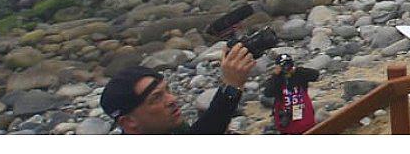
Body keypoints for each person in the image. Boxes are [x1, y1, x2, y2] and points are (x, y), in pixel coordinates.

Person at [99, 42, 255, 134]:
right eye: (156, 98)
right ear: (129, 122)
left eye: (167, 90)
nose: (172, 99)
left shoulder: (169, 128)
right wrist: (231, 86)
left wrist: (233, 84)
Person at [261, 53, 321, 134]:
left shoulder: (299, 74)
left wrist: (297, 70)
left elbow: (315, 75)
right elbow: (268, 93)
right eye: (283, 66)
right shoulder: (277, 79)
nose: (286, 68)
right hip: (286, 117)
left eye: (288, 64)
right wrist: (275, 75)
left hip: (304, 114)